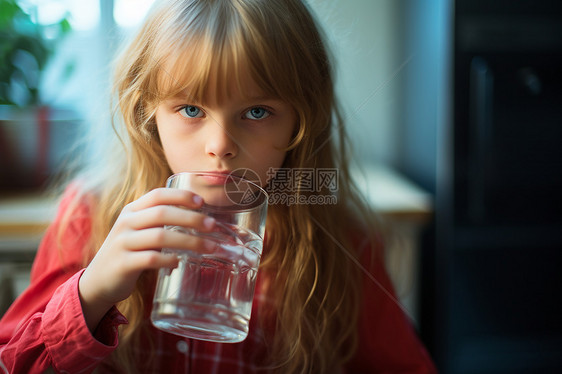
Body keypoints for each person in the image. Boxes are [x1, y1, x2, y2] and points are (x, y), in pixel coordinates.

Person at [0, 0, 437, 372]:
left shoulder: (343, 242)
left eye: (257, 112)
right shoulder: (90, 216)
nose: (220, 146)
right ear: (147, 114)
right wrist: (91, 294)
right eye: (191, 109)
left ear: (303, 121)